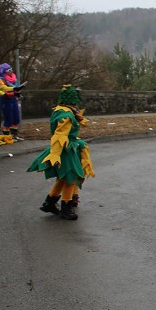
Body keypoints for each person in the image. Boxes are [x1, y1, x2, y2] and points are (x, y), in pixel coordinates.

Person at [27, 85, 94, 220]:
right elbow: (60, 135)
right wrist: (55, 153)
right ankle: (66, 207)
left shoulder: (62, 110)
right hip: (65, 149)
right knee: (71, 177)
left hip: (68, 146)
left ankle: (49, 203)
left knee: (64, 177)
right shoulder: (67, 115)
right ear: (72, 101)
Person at [0, 62, 23, 143]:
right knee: (9, 118)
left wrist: (18, 94)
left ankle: (14, 135)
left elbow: (16, 87)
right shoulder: (1, 79)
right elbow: (3, 90)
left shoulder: (14, 78)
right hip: (6, 100)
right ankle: (6, 136)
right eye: (8, 70)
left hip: (13, 99)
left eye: (11, 69)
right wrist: (15, 92)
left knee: (16, 118)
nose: (10, 71)